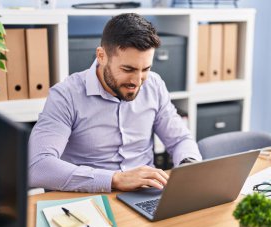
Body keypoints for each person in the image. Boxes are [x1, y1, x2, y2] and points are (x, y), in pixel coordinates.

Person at [29, 13, 202, 193]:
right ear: (101, 56)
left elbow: (180, 139)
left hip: (145, 195)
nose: (137, 81)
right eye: (128, 69)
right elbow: (38, 166)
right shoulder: (66, 96)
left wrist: (189, 165)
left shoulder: (154, 85)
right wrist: (114, 179)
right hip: (88, 198)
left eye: (145, 69)